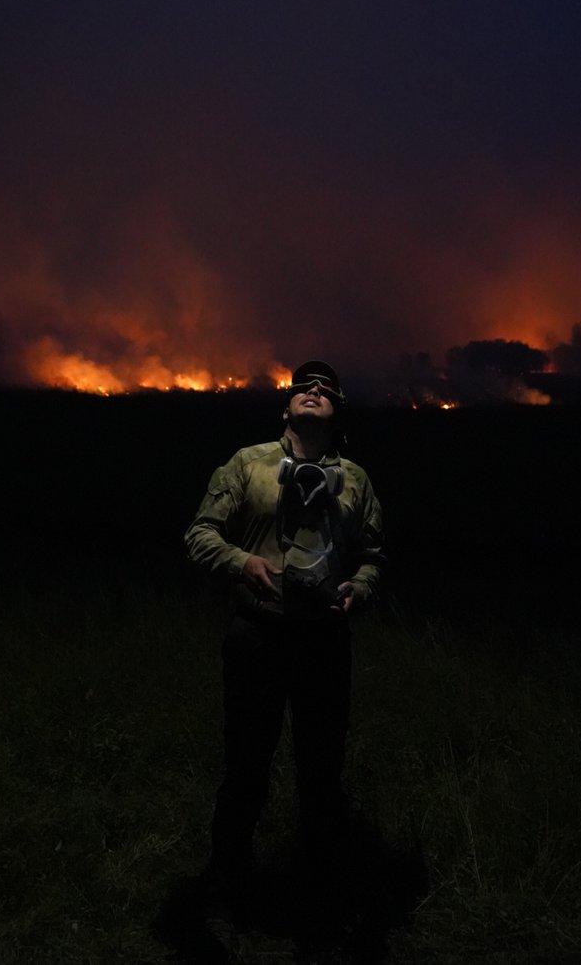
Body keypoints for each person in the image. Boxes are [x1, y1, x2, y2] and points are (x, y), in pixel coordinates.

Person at [184, 360, 384, 920]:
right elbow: (200, 533)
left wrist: (359, 589)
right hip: (259, 635)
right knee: (246, 765)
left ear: (337, 409)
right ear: (286, 405)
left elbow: (373, 556)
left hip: (324, 639)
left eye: (325, 388)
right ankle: (229, 881)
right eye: (303, 386)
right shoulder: (249, 464)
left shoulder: (356, 480)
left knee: (322, 769)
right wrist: (241, 563)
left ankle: (318, 887)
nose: (313, 390)